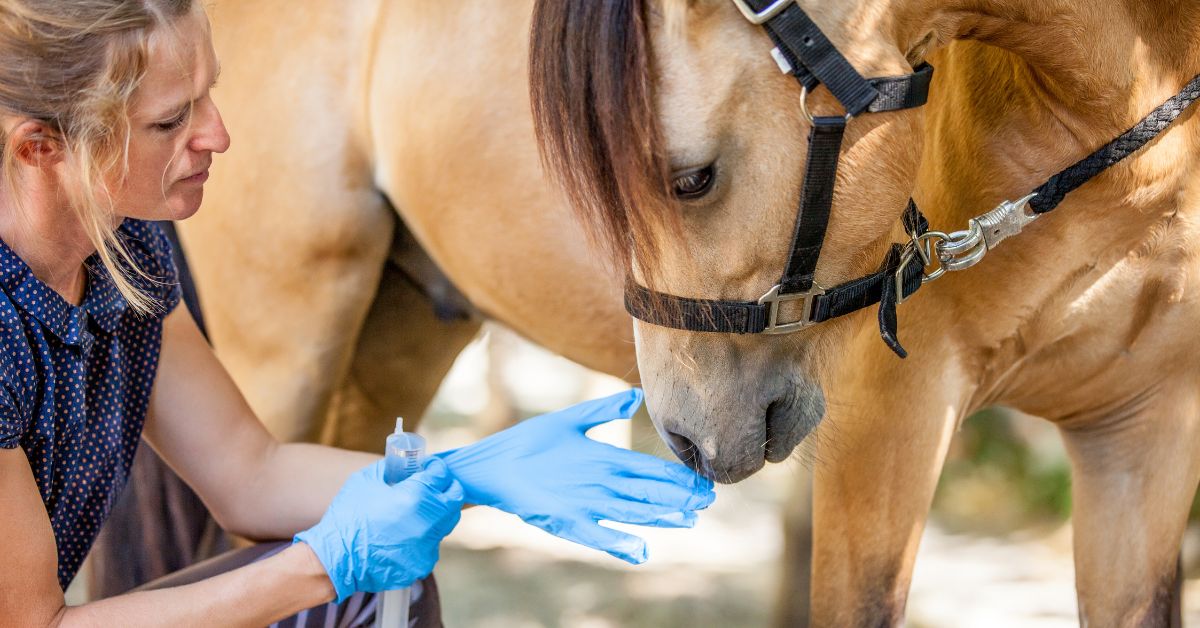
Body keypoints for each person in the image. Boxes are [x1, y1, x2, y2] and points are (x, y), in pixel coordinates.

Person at [0, 1, 716, 626]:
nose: (218, 136)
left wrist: (472, 474)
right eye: (169, 120)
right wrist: (322, 564)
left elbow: (251, 473)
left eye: (208, 94)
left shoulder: (124, 249)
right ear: (40, 148)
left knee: (377, 589)